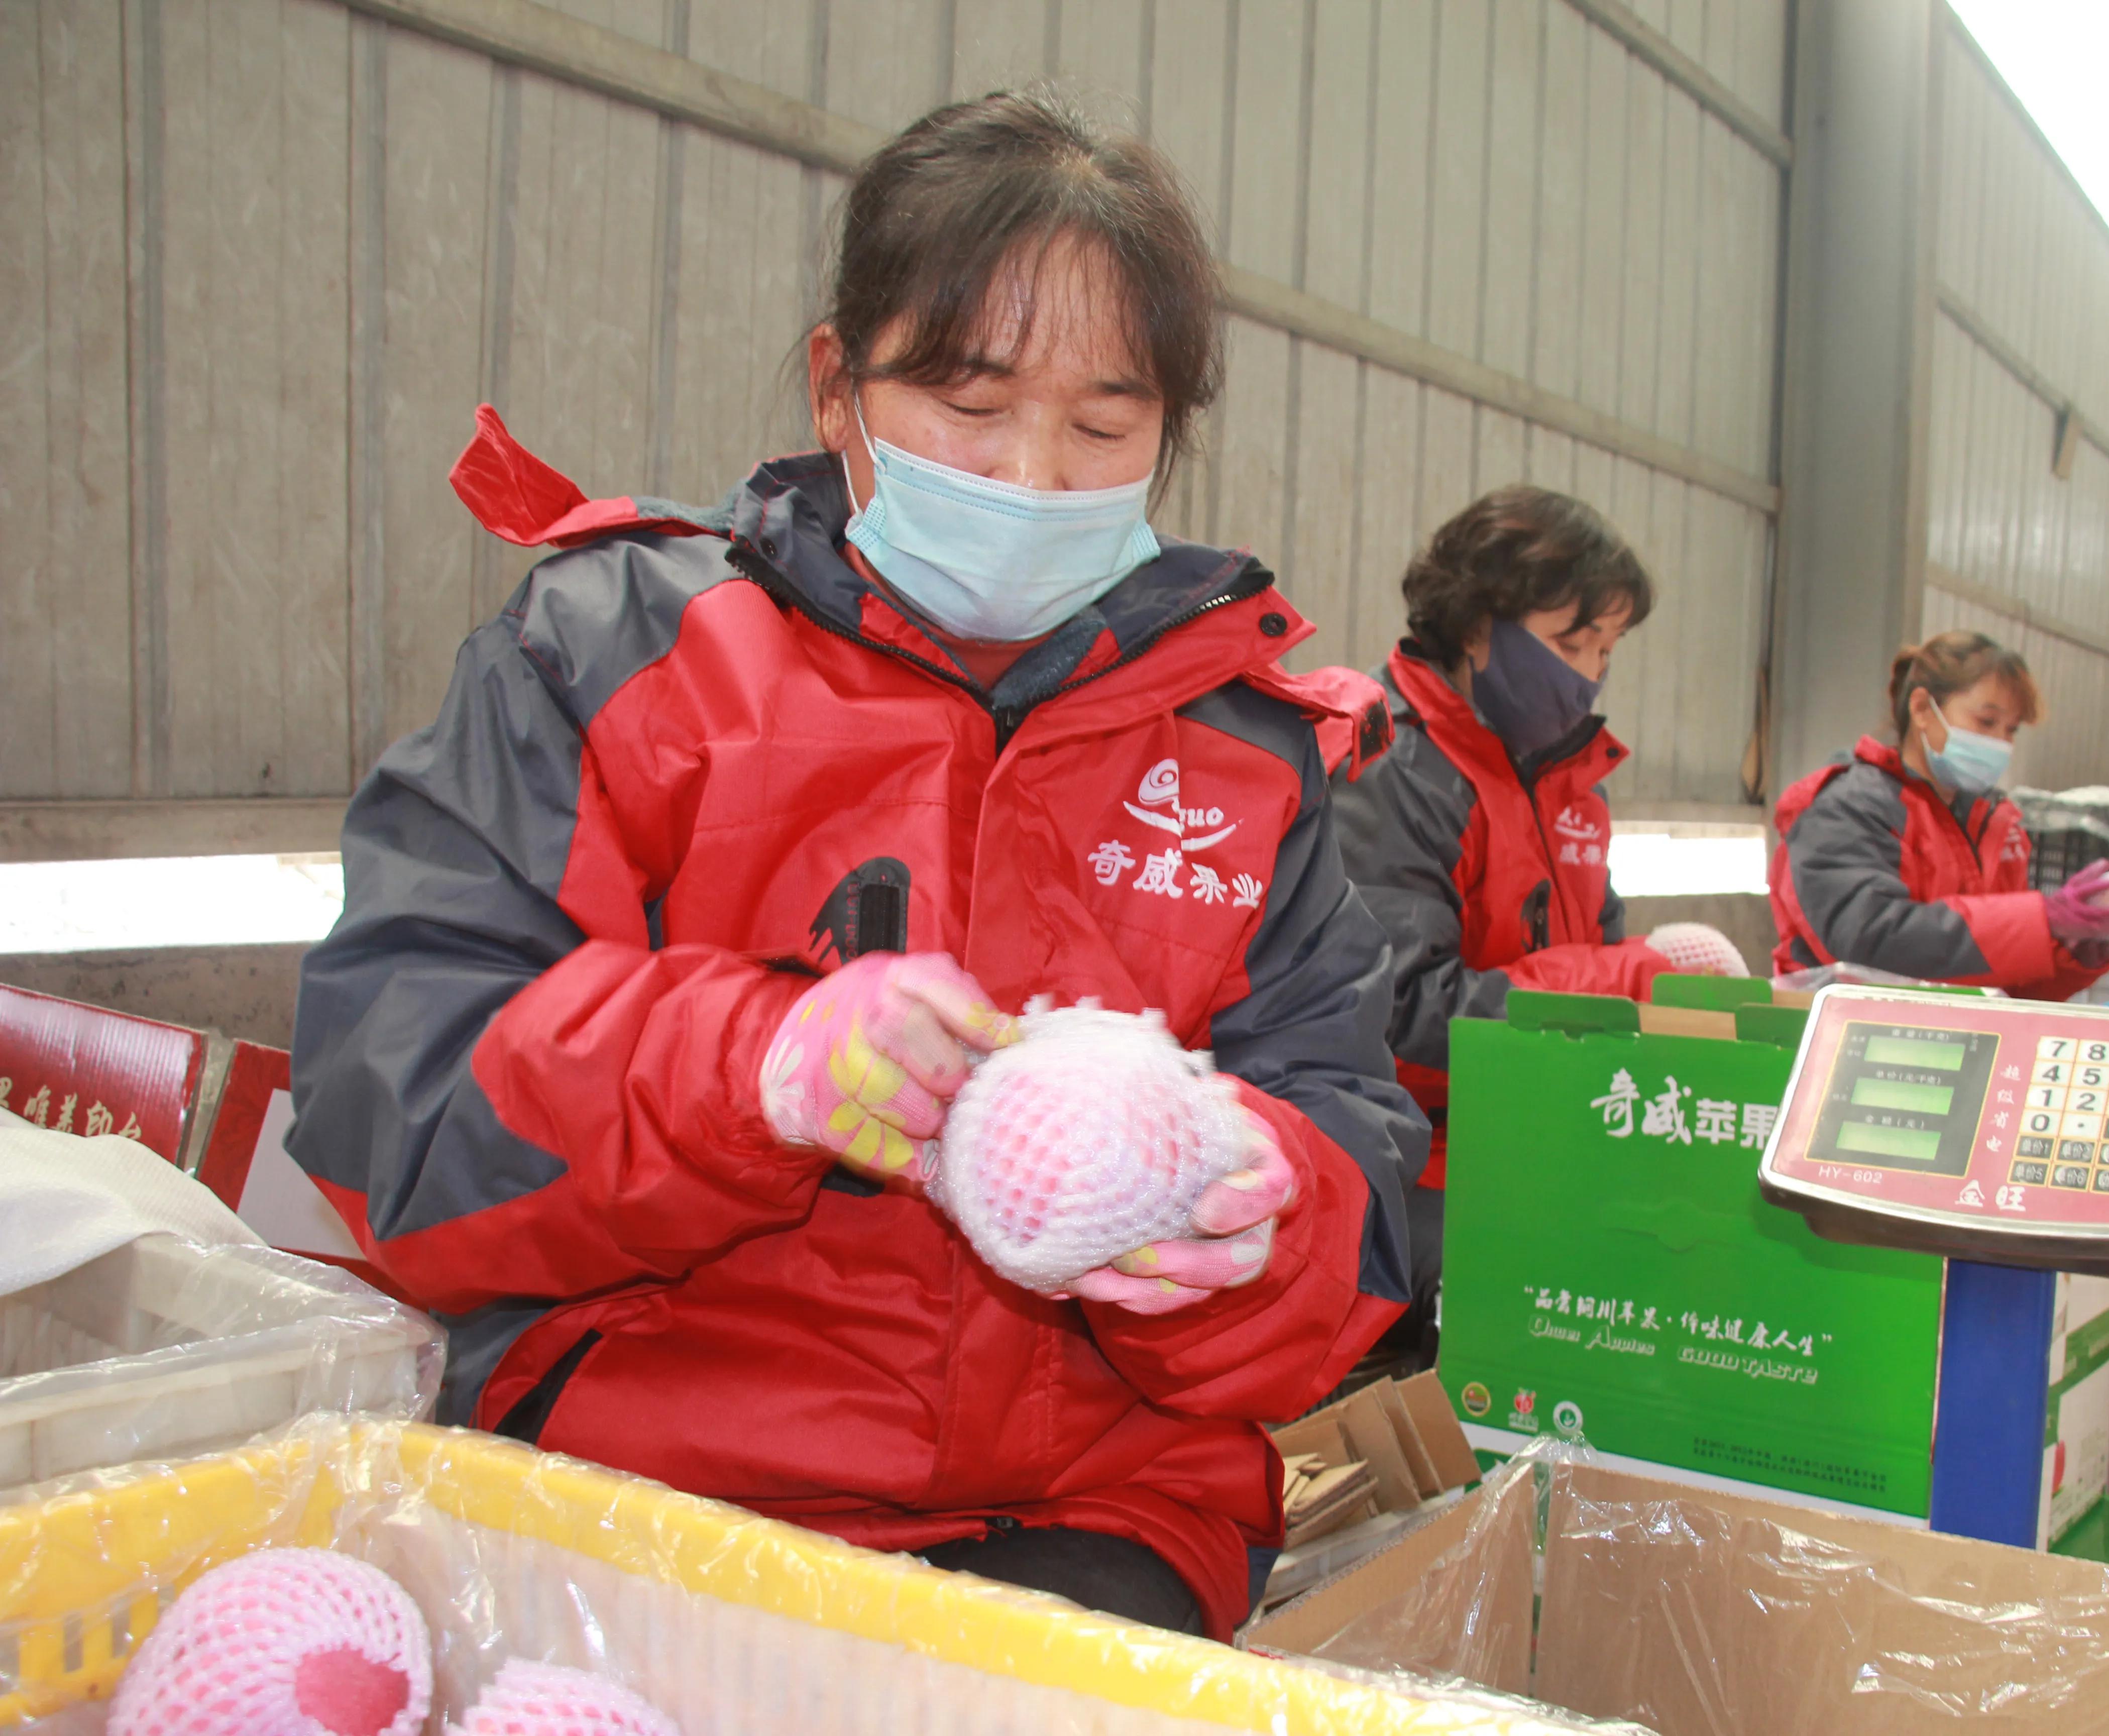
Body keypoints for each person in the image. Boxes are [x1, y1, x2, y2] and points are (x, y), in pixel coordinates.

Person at [285, 93, 1427, 1642]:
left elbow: (1353, 1171)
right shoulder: (615, 656)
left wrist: (1261, 1221)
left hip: (1080, 1509)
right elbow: (390, 1109)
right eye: (970, 406)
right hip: (640, 1481)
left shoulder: (1248, 753)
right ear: (840, 388)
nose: (1034, 476)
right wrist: (752, 1071)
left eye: (1105, 425)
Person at [1329, 486, 1746, 1354]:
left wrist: (1652, 980)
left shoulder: (1568, 780)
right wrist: (1621, 982)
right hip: (1401, 1169)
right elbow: (1399, 1010)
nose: (1589, 673)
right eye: (1568, 643)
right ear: (1477, 624)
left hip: (1524, 1145)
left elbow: (1598, 949)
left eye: (1606, 648)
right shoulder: (1393, 764)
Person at [1768, 631, 2109, 996]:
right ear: (1921, 710)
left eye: (2011, 730)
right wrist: (2039, 922)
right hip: (1845, 1036)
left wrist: (2069, 956)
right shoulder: (1846, 808)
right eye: (1986, 722)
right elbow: (1868, 939)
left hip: (1954, 1038)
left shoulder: (1993, 821)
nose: (2001, 744)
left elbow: (1992, 978)